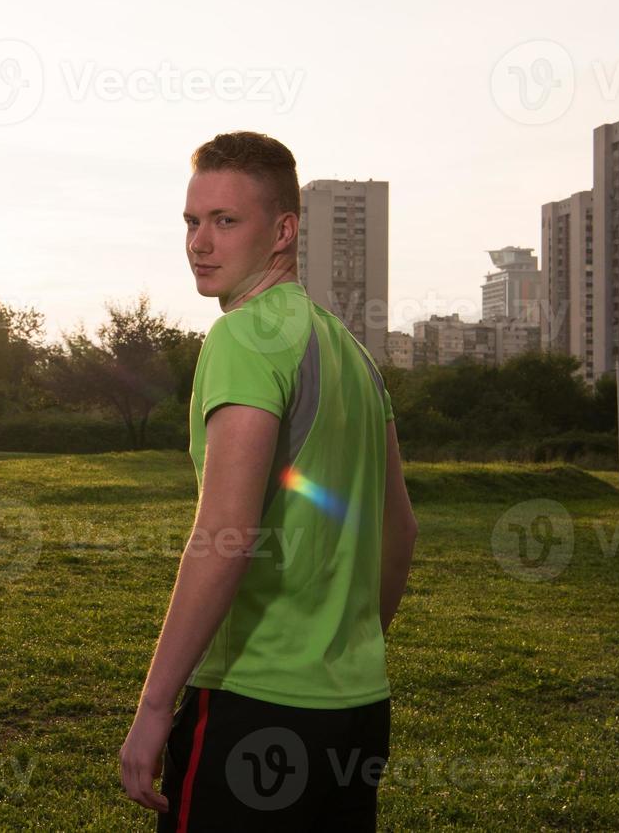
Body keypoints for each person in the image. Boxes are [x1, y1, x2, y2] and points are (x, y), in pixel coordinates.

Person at [119, 131, 419, 830]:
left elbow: (225, 534)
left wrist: (155, 705)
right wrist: (341, 647)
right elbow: (399, 528)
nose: (199, 242)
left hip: (252, 706)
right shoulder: (349, 351)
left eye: (225, 221)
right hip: (354, 714)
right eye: (192, 222)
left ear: (282, 231)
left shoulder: (242, 338)